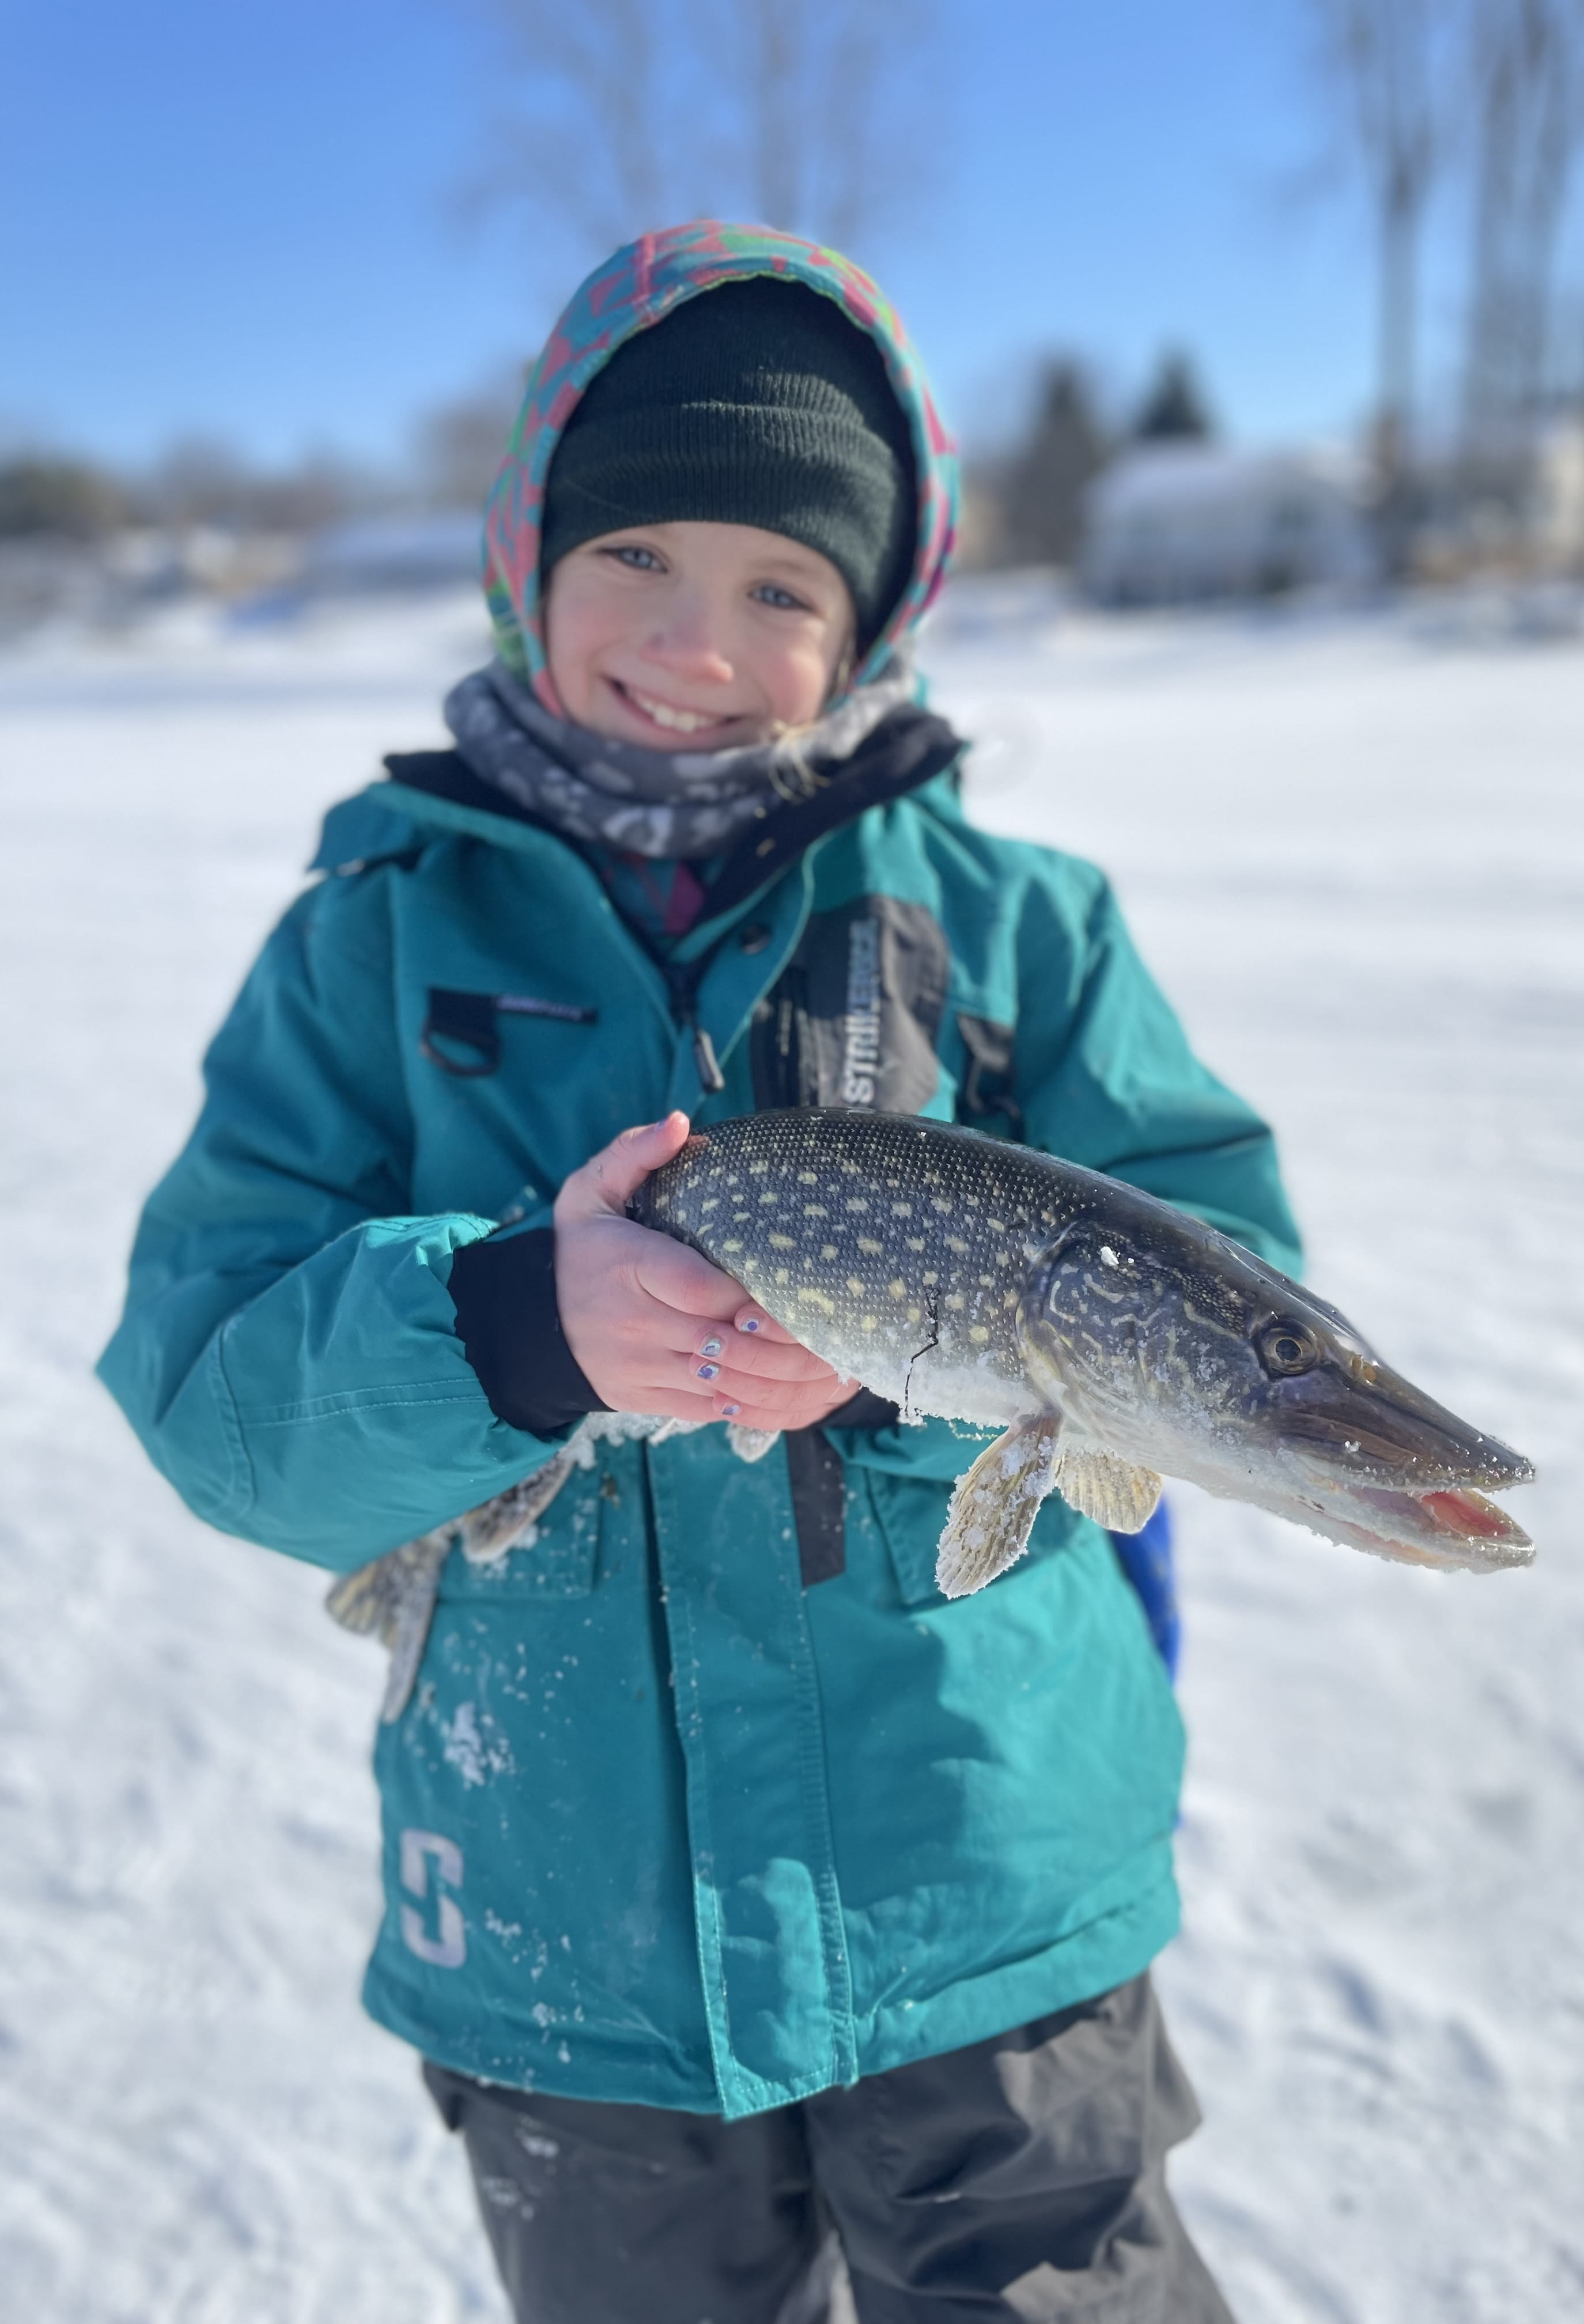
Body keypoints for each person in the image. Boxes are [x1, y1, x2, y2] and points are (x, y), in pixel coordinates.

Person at [100, 221, 1302, 2324]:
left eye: (781, 590)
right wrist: (510, 1328)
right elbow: (213, 1385)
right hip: (575, 1935)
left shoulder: (1019, 925)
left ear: (873, 621)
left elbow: (1226, 1290)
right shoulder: (375, 935)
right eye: (638, 553)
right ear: (527, 556)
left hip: (984, 1866)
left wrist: (908, 1354)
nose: (695, 638)